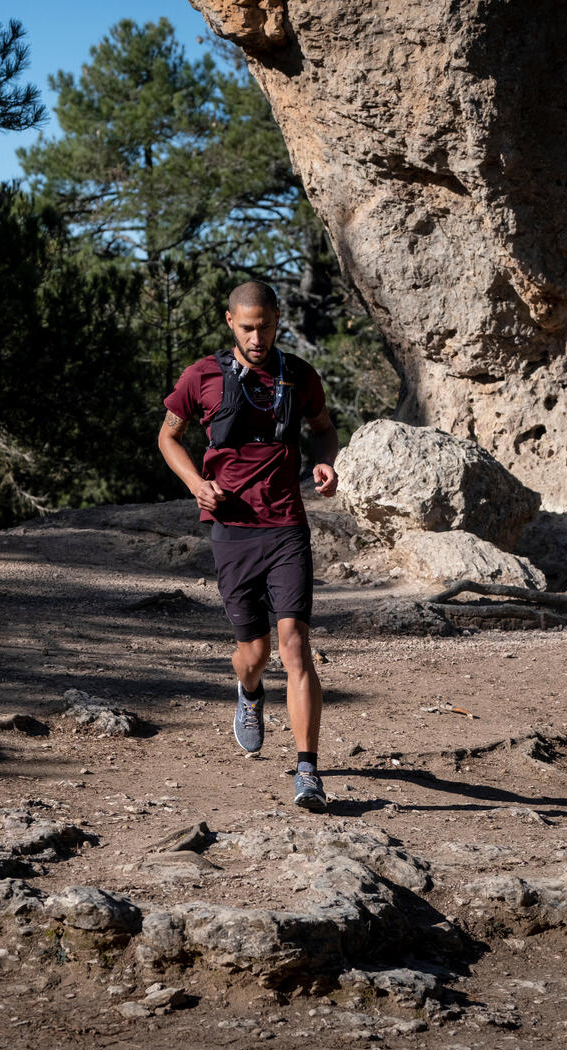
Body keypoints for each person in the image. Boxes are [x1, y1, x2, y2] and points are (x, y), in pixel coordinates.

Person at [158, 281, 339, 812]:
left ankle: (308, 772)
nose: (257, 337)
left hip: (286, 526)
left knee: (296, 648)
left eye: (265, 325)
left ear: (278, 318)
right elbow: (168, 436)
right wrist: (195, 483)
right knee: (255, 654)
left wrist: (327, 461)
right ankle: (250, 692)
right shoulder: (202, 376)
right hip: (233, 530)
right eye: (247, 327)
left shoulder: (301, 376)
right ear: (230, 322)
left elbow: (323, 429)